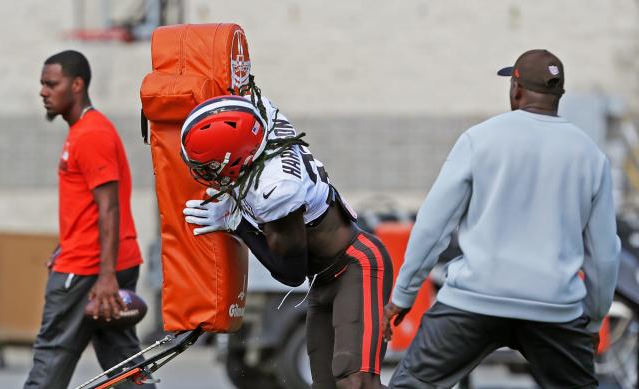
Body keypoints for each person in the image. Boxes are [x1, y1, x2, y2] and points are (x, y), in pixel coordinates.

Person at [382, 49, 621, 388]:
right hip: (555, 309)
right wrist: (595, 321)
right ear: (559, 96)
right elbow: (604, 254)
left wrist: (403, 296)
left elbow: (433, 227)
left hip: (473, 302)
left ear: (516, 89)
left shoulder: (479, 140)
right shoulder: (590, 156)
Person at [180, 94, 393, 389]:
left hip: (356, 267)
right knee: (326, 384)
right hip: (324, 280)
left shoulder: (276, 190)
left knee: (355, 381)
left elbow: (290, 272)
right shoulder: (263, 121)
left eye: (211, 166)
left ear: (235, 155)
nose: (207, 175)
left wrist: (238, 223)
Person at [25, 50, 154, 389]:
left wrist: (107, 276)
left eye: (51, 84)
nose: (43, 92)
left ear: (77, 84)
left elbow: (109, 206)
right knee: (125, 365)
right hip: (98, 261)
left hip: (88, 270)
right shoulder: (83, 130)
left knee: (50, 357)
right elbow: (86, 207)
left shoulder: (91, 134)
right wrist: (62, 245)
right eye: (42, 84)